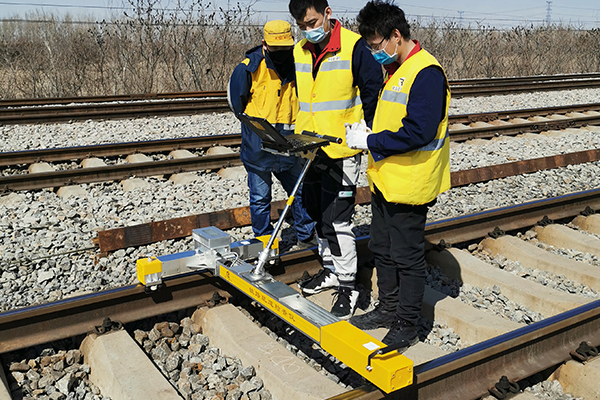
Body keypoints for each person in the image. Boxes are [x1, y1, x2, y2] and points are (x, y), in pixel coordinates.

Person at [346, 0, 451, 352]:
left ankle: (407, 323)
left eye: (376, 45)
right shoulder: (395, 68)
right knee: (382, 248)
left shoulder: (427, 72)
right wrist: (368, 130)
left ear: (395, 35)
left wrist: (371, 140)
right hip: (385, 179)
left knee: (407, 255)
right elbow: (393, 118)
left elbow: (419, 130)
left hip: (410, 183)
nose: (374, 52)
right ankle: (387, 310)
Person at [288, 0, 383, 319]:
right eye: (302, 26)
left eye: (313, 22)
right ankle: (331, 269)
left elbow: (372, 94)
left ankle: (348, 285)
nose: (309, 30)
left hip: (342, 149)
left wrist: (369, 137)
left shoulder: (355, 48)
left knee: (337, 218)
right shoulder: (300, 50)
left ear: (327, 13)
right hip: (310, 148)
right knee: (316, 212)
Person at [228, 20, 316, 249]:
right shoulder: (249, 67)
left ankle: (306, 237)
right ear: (264, 45)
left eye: (285, 48)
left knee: (300, 193)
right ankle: (265, 242)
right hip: (259, 147)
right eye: (275, 49)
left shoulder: (301, 65)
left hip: (290, 145)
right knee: (259, 199)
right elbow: (238, 105)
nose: (281, 53)